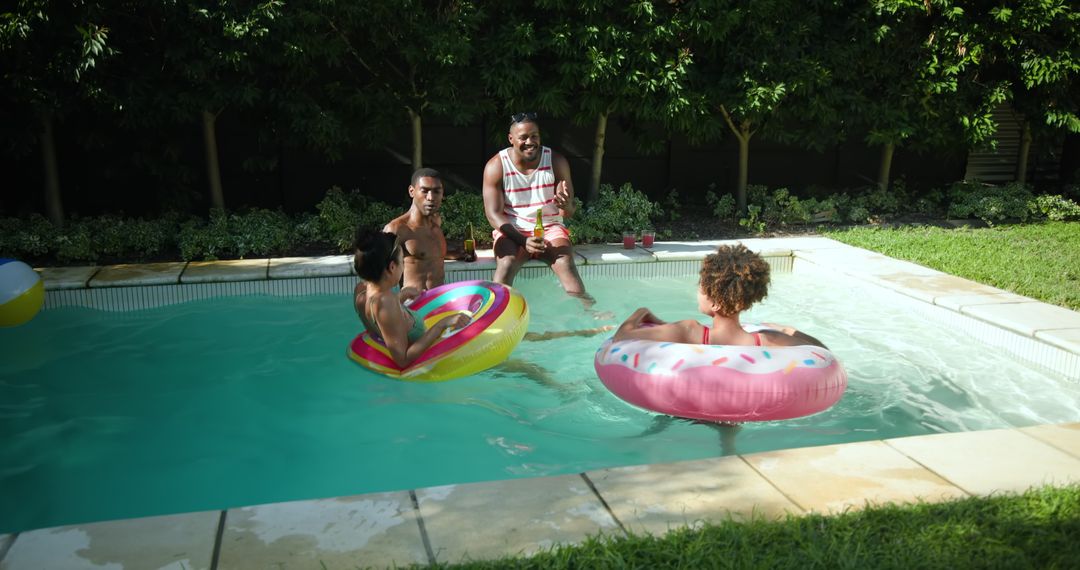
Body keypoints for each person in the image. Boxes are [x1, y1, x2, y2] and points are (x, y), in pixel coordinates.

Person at [613, 244, 827, 348]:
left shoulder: (689, 331)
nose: (697, 292)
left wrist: (642, 312)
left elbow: (621, 337)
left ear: (714, 302)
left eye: (701, 287)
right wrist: (785, 330)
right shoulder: (767, 340)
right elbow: (821, 351)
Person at [482, 112, 590, 301]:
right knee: (506, 264)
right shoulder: (496, 165)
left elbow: (568, 213)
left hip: (549, 228)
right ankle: (495, 314)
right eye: (523, 137)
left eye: (534, 136)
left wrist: (566, 206)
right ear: (511, 139)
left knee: (565, 263)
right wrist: (524, 241)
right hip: (512, 228)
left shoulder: (556, 161)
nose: (530, 141)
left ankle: (589, 314)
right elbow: (493, 215)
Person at [353, 228, 469, 368]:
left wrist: (400, 297)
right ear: (392, 267)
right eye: (402, 261)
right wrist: (441, 324)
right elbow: (403, 359)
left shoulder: (361, 291)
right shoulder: (386, 301)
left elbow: (381, 323)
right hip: (428, 365)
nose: (403, 267)